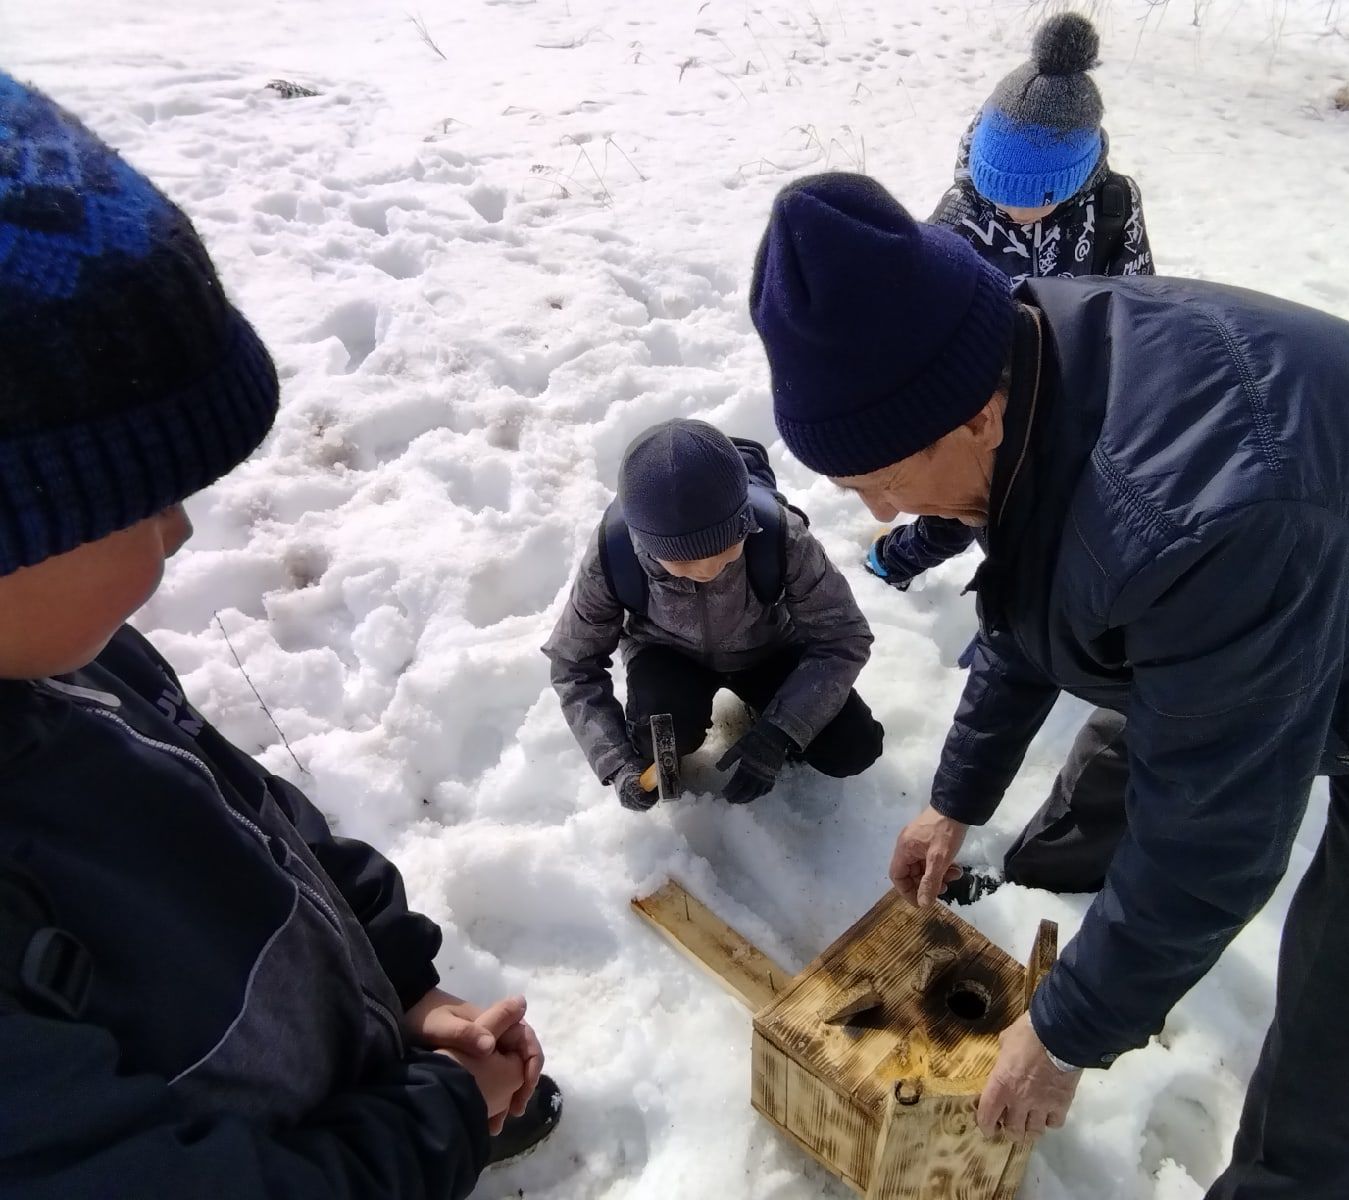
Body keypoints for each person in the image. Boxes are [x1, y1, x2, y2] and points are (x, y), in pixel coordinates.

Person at [748, 171, 1349, 1199]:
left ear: (972, 416)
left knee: (1347, 993)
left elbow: (1217, 841)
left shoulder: (1197, 511)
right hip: (1293, 592)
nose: (881, 512)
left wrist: (1063, 1033)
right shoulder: (1020, 351)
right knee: (1156, 733)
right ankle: (1074, 885)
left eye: (879, 477)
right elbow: (1036, 586)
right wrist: (954, 798)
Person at [0, 74, 559, 1199]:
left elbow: (244, 808)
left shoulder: (59, 651)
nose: (180, 524)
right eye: (133, 500)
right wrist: (437, 1119)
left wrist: (405, 991)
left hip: (348, 1082)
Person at [865, 12, 1154, 597]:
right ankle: (907, 563)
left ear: (1077, 175)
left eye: (1033, 201)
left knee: (1063, 511)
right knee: (971, 505)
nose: (1012, 212)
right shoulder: (960, 214)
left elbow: (1139, 298)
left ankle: (1053, 603)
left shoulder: (1114, 206)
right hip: (984, 393)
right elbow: (920, 302)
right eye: (996, 194)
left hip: (1075, 391)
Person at [543, 419, 882, 810]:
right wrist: (616, 762)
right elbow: (573, 664)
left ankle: (765, 707)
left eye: (726, 553)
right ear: (648, 546)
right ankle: (680, 715)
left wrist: (782, 730)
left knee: (853, 747)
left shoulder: (780, 535)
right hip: (668, 653)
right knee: (656, 738)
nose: (706, 571)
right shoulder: (614, 553)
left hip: (768, 647)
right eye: (683, 564)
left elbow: (842, 637)